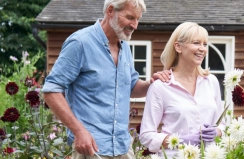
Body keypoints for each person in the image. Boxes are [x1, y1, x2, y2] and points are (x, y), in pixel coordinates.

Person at [42, 0, 171, 158]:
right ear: (110, 11)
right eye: (130, 17)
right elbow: (51, 90)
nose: (135, 25)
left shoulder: (125, 47)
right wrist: (79, 131)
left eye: (138, 19)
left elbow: (130, 86)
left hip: (123, 147)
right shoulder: (80, 43)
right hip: (91, 149)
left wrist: (150, 84)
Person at [139, 22, 226, 158]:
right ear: (178, 47)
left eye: (205, 44)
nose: (202, 49)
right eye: (196, 43)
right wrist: (181, 140)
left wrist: (217, 132)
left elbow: (223, 124)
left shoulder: (211, 82)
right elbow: (146, 136)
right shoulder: (161, 86)